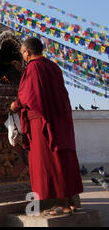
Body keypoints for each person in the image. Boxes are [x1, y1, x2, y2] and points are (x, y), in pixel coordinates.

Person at [10, 37, 83, 216]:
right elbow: (41, 88)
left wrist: (16, 105)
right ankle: (72, 202)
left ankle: (62, 204)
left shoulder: (34, 68)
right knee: (63, 158)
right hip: (59, 119)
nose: (23, 56)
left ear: (27, 52)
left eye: (22, 53)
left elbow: (30, 96)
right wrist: (23, 72)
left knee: (51, 161)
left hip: (41, 122)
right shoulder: (52, 66)